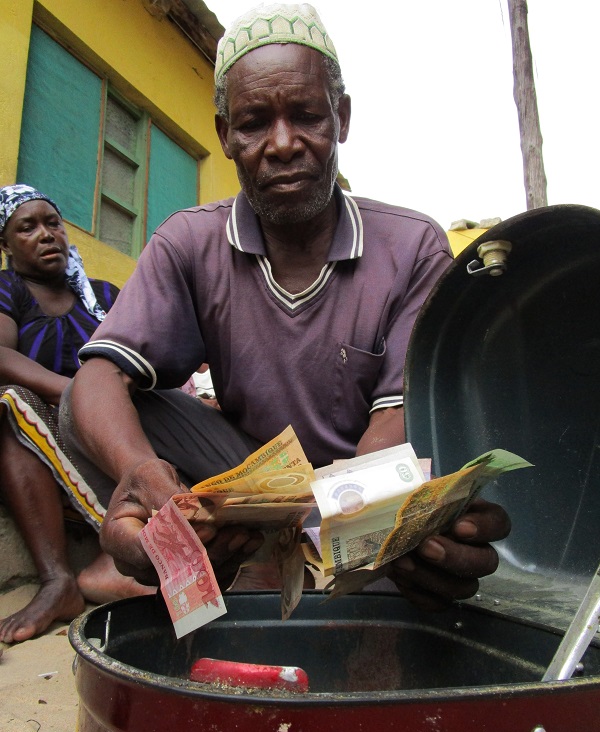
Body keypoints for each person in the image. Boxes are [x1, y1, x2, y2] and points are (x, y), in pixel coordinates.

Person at [61, 3, 510, 609]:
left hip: (362, 485)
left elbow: (395, 423)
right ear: (224, 135)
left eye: (306, 116)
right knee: (81, 401)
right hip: (251, 474)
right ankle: (246, 558)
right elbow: (99, 376)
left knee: (394, 579)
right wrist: (139, 474)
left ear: (341, 118)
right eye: (252, 123)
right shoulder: (189, 242)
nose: (281, 144)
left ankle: (287, 566)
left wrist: (349, 527)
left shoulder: (411, 246)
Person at [0, 184, 154, 644]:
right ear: (5, 245)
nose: (46, 234)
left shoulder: (104, 297)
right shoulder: (9, 290)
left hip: (116, 431)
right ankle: (59, 579)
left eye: (52, 223)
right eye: (27, 227)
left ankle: (120, 553)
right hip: (43, 433)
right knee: (9, 400)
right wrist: (79, 395)